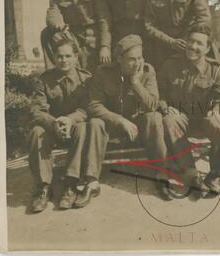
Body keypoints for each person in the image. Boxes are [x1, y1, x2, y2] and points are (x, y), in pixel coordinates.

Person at [74, 34, 173, 208]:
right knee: (96, 123)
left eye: (140, 58)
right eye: (132, 59)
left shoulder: (147, 71)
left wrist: (136, 83)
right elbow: (94, 105)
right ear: (119, 58)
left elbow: (152, 105)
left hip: (138, 125)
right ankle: (91, 182)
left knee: (154, 117)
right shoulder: (103, 73)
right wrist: (119, 120)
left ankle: (161, 176)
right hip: (113, 126)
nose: (138, 63)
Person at [158, 23, 220, 194]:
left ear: (208, 48)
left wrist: (216, 111)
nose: (193, 47)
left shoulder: (215, 69)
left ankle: (215, 173)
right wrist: (165, 107)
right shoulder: (170, 65)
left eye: (199, 44)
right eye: (191, 41)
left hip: (206, 119)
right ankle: (192, 174)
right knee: (169, 120)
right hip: (182, 117)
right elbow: (159, 93)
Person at [27, 38, 91, 212]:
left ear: (76, 57)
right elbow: (37, 111)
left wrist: (69, 119)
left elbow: (87, 108)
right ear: (54, 57)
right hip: (51, 130)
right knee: (36, 131)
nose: (64, 60)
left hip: (75, 130)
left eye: (68, 56)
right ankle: (43, 188)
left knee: (83, 127)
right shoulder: (44, 80)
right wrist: (54, 123)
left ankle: (71, 185)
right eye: (59, 56)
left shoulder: (85, 79)